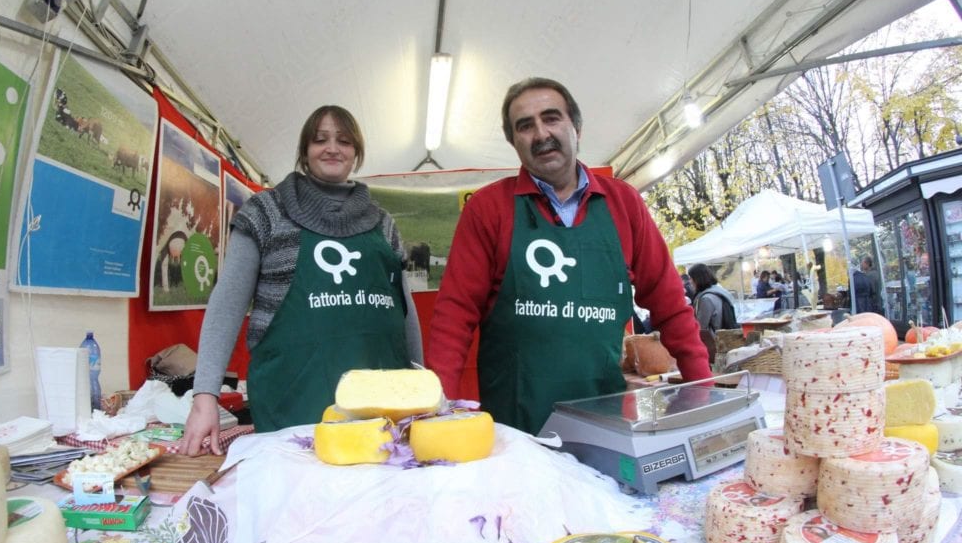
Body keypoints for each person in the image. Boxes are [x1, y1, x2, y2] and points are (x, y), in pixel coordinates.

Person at [426, 77, 711, 435]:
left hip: (606, 418)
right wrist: (438, 411)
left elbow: (670, 305)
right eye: (524, 126)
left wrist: (703, 392)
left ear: (576, 127)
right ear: (513, 142)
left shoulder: (624, 204)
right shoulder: (487, 209)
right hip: (516, 426)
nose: (541, 133)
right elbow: (454, 315)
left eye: (551, 118)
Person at [178, 106, 423, 455]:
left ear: (357, 152)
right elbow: (227, 304)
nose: (332, 148)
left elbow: (405, 312)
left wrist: (422, 384)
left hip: (383, 415)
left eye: (344, 141)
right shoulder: (266, 213)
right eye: (320, 139)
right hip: (293, 410)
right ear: (305, 152)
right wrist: (205, 397)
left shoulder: (383, 223)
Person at [688, 264, 738, 335]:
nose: (690, 281)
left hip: (714, 341)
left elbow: (701, 327)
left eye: (691, 278)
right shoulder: (722, 291)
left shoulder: (706, 299)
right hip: (727, 336)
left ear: (697, 278)